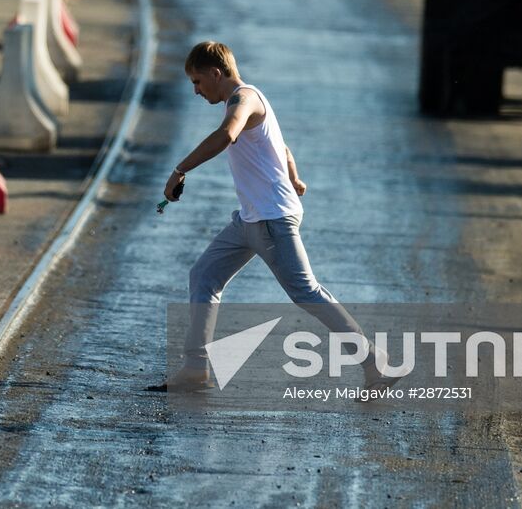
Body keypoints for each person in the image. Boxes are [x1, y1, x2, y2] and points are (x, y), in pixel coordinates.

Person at [158, 42, 398, 392]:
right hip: (250, 220)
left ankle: (375, 361)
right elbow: (280, 146)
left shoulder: (243, 99)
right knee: (204, 275)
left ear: (215, 73)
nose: (195, 91)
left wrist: (179, 170)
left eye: (197, 81)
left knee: (306, 292)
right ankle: (196, 367)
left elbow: (227, 134)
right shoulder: (248, 101)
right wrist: (294, 176)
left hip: (271, 220)